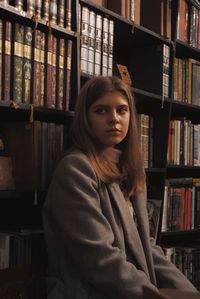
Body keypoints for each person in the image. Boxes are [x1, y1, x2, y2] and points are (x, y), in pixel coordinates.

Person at [43, 76, 198, 299]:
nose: (113, 119)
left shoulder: (130, 169)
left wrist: (189, 293)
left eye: (122, 110)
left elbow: (147, 247)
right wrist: (154, 296)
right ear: (85, 118)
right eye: (101, 111)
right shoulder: (75, 168)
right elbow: (99, 258)